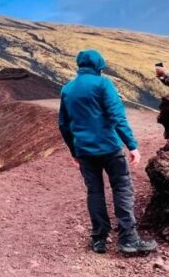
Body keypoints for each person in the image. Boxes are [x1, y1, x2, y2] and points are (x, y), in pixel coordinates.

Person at [58, 50, 157, 254]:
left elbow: (64, 125)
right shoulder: (104, 85)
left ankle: (99, 239)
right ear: (99, 66)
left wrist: (74, 151)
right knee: (122, 187)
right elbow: (117, 117)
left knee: (94, 192)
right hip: (110, 148)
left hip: (84, 150)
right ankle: (128, 239)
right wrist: (132, 145)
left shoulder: (67, 89)